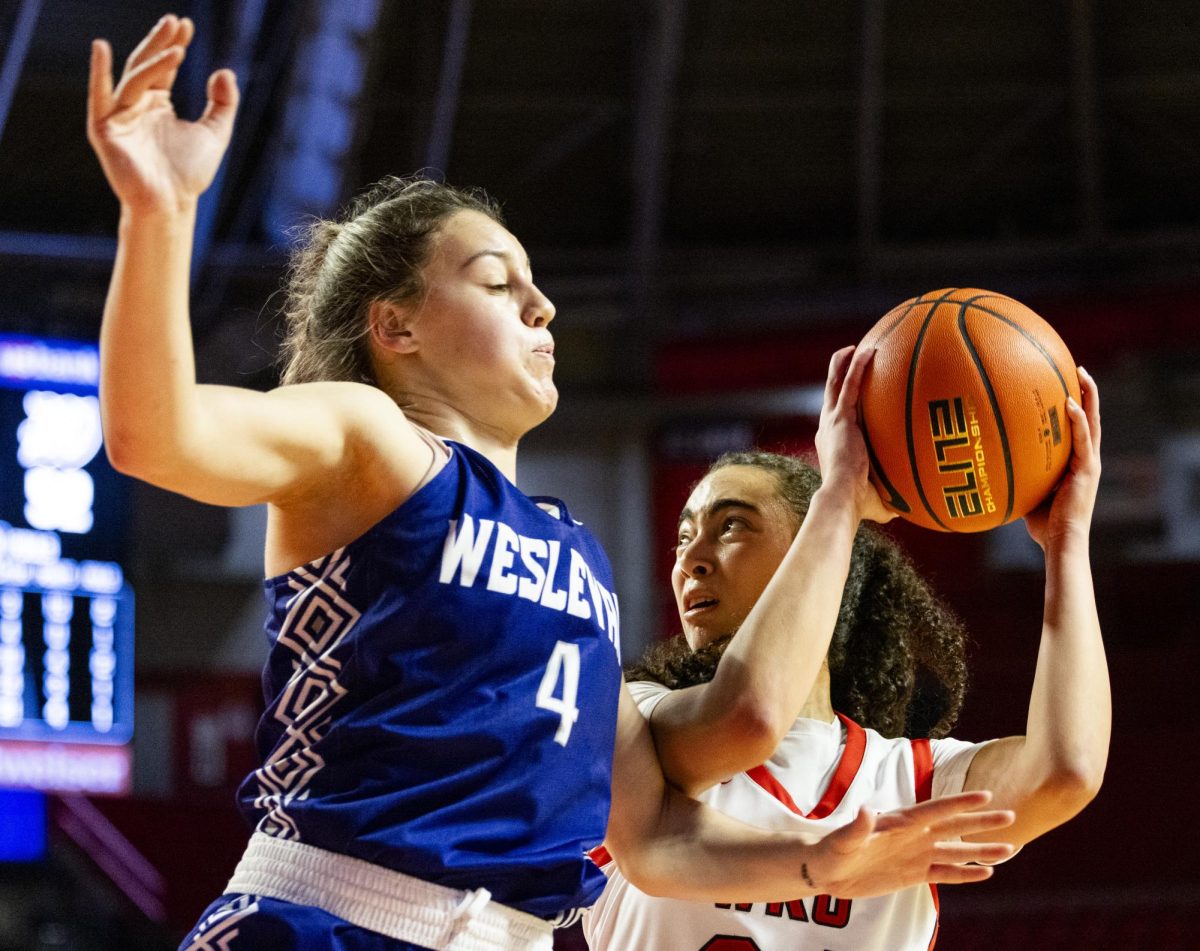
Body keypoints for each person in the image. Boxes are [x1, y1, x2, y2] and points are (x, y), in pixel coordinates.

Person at [87, 15, 1018, 951]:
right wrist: (159, 215)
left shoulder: (576, 556)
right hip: (336, 919)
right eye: (498, 283)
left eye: (534, 283)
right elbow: (153, 434)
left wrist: (825, 861)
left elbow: (655, 831)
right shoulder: (367, 436)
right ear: (396, 327)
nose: (543, 304)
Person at [583, 351, 1108, 950]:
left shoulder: (909, 780)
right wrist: (841, 497)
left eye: (732, 525)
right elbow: (747, 717)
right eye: (683, 536)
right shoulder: (637, 716)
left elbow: (1066, 771)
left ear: (827, 550)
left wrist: (1067, 545)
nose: (689, 559)